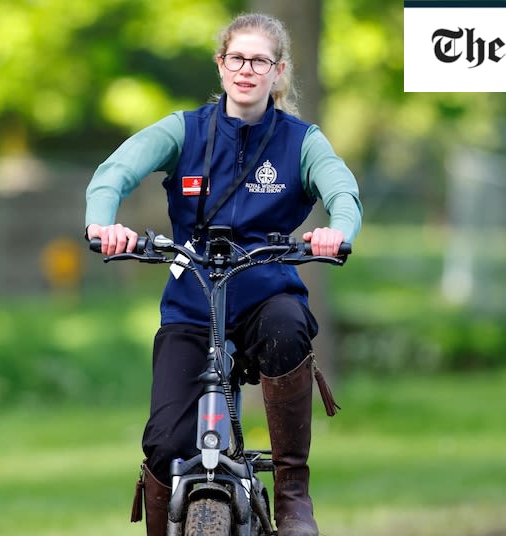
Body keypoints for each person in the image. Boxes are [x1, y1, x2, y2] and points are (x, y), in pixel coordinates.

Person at [85, 12, 362, 536]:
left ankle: (292, 495)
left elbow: (341, 191)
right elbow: (114, 172)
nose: (247, 70)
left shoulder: (301, 141)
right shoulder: (184, 130)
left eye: (260, 61)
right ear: (221, 65)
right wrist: (103, 225)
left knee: (288, 327)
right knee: (166, 442)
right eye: (237, 58)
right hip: (193, 300)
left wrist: (336, 231)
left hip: (265, 293)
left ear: (278, 71)